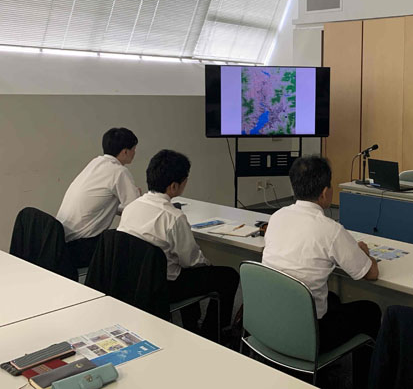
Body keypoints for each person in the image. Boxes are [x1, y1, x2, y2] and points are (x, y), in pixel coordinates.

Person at [262, 155, 380, 387]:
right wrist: (364, 252)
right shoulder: (331, 230)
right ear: (325, 193)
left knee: (332, 298)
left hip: (268, 322)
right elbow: (371, 273)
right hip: (308, 334)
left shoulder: (276, 217)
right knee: (371, 310)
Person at [117, 149, 239, 341]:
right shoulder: (173, 217)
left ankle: (191, 323)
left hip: (131, 280)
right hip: (163, 287)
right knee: (228, 276)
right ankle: (213, 334)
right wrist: (209, 264)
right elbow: (191, 261)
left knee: (183, 267)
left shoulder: (132, 206)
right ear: (174, 186)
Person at [57, 127, 141, 268]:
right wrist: (138, 196)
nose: (135, 152)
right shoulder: (119, 171)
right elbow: (135, 210)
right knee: (131, 246)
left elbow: (103, 204)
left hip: (62, 241)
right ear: (125, 151)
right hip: (81, 247)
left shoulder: (95, 163)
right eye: (134, 149)